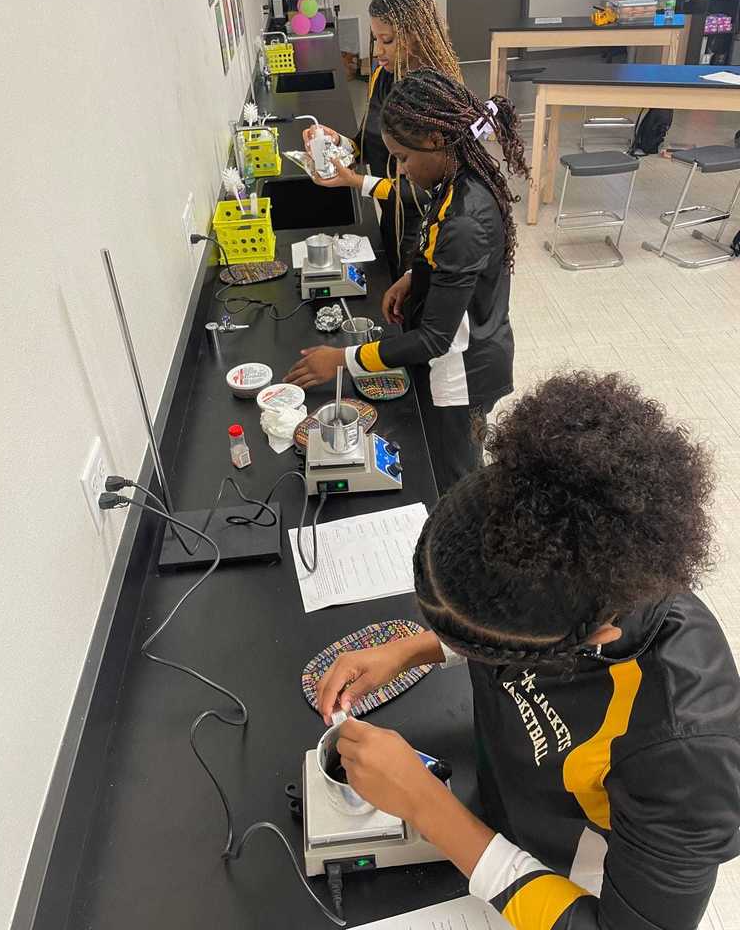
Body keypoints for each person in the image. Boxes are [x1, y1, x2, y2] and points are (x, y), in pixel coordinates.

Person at [316, 371, 740, 930]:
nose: (476, 654)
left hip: (562, 872)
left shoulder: (687, 756)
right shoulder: (560, 557)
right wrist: (413, 650)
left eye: (485, 645)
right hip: (501, 798)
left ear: (589, 638)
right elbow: (504, 612)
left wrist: (426, 806)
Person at [286, 69, 528, 493]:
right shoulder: (453, 179)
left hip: (462, 374)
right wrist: (417, 276)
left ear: (434, 140)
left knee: (456, 481)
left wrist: (341, 359)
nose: (401, 169)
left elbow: (434, 339)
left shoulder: (467, 217)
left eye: (403, 158)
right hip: (455, 354)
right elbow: (451, 258)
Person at [302, 0, 462, 279]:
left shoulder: (436, 95)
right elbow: (367, 142)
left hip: (425, 228)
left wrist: (357, 181)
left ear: (416, 36)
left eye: (387, 40)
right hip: (391, 217)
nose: (377, 51)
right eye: (375, 39)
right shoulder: (382, 77)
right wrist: (335, 141)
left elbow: (423, 192)